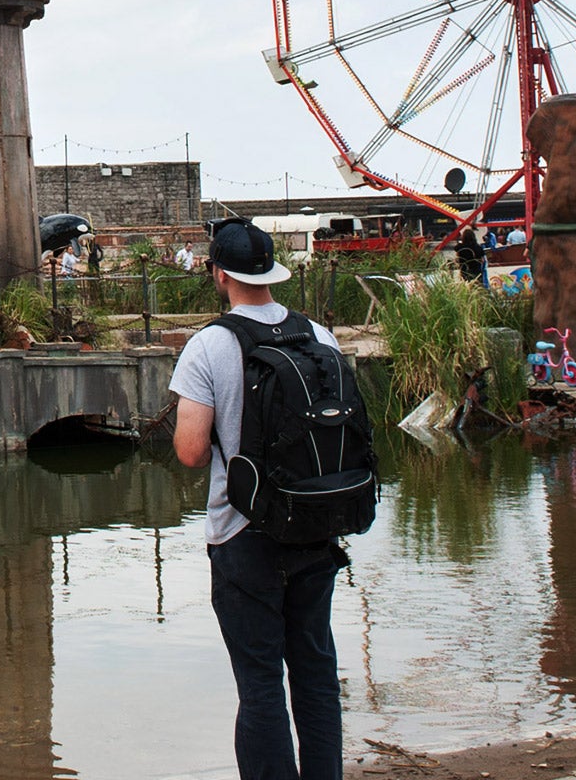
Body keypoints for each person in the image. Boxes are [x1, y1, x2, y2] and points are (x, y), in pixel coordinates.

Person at [172, 220, 345, 780]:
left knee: (261, 680)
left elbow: (192, 452)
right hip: (318, 523)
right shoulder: (320, 335)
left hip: (244, 534)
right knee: (316, 672)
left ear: (220, 274)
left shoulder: (209, 345)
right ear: (272, 270)